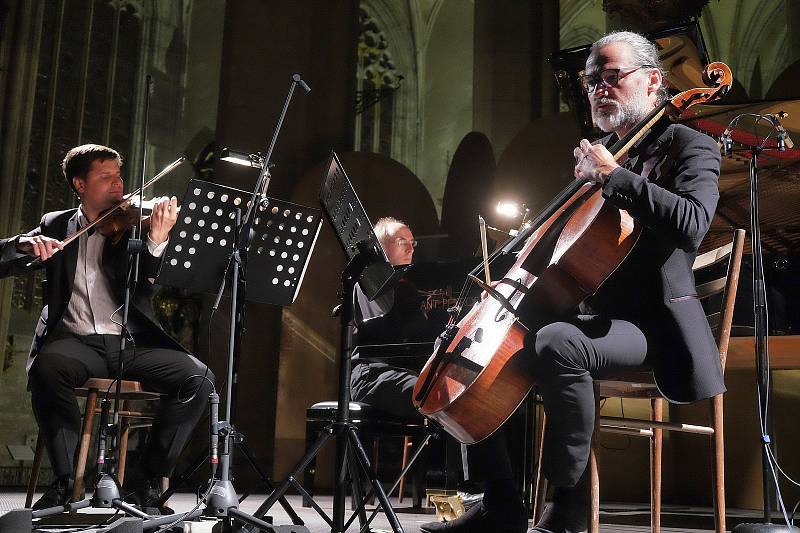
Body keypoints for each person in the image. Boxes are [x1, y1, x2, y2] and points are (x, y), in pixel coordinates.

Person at [420, 30, 724, 533]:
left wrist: (615, 178)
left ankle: (569, 511)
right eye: (591, 82)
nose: (599, 90)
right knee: (488, 358)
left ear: (653, 82)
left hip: (654, 328)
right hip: (593, 315)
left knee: (557, 342)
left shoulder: (690, 147)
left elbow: (693, 222)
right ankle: (499, 506)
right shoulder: (604, 152)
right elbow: (565, 246)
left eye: (612, 78)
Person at [0, 144, 215, 511]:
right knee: (46, 369)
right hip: (76, 342)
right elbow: (4, 258)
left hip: (130, 344)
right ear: (80, 184)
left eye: (119, 175)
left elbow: (148, 285)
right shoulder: (56, 224)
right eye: (106, 177)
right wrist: (24, 244)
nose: (118, 184)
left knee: (199, 379)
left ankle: (143, 480)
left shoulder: (132, 225)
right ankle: (66, 481)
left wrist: (155, 241)